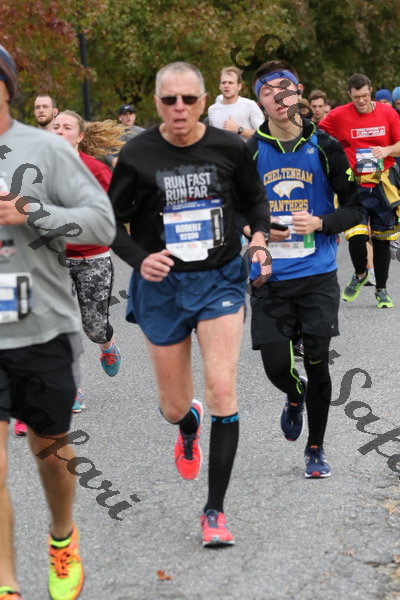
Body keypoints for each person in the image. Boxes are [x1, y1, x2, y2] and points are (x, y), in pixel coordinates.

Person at [109, 61, 269, 546]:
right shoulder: (137, 154)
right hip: (162, 287)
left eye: (188, 99)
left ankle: (214, 511)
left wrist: (259, 238)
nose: (179, 108)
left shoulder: (230, 147)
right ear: (157, 104)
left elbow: (255, 201)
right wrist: (141, 259)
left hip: (219, 280)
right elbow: (109, 223)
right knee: (173, 405)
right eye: (169, 100)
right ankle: (188, 422)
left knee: (222, 388)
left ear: (203, 101)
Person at [0, 45, 116, 600]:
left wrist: (33, 213)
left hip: (41, 325)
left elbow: (101, 222)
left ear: (7, 88)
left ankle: (63, 535)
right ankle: (6, 583)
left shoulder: (45, 148)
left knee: (50, 451)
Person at [248, 60, 362, 478]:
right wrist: (257, 234)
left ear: (298, 93)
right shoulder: (249, 151)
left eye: (285, 88)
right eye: (268, 91)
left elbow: (356, 206)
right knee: (277, 366)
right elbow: (236, 210)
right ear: (260, 102)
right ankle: (293, 394)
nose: (279, 97)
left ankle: (315, 448)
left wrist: (321, 222)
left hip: (317, 276)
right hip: (269, 278)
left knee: (317, 363)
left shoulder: (324, 145)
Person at [53, 111, 123, 412]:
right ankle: (71, 388)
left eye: (66, 127)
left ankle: (107, 345)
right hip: (53, 259)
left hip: (92, 256)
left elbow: (114, 210)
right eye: (55, 126)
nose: (59, 131)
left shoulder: (95, 169)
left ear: (80, 136)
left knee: (94, 327)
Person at [319, 73, 400, 308]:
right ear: (349, 95)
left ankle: (382, 290)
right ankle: (360, 273)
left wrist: (387, 150)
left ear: (371, 91)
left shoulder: (387, 113)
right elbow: (317, 136)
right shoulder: (338, 115)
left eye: (365, 96)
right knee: (356, 236)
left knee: (382, 240)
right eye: (356, 97)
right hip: (354, 185)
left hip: (382, 183)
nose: (361, 101)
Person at [208, 66, 264, 140]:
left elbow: (263, 135)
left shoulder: (250, 105)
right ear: (220, 86)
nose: (226, 86)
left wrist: (239, 129)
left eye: (230, 83)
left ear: (239, 86)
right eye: (223, 83)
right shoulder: (212, 110)